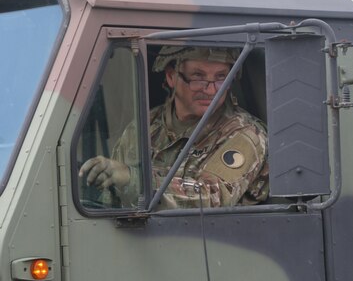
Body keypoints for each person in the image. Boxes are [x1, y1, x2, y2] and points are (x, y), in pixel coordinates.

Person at [79, 46, 269, 210]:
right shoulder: (146, 126)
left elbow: (212, 199)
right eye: (198, 77)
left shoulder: (245, 133)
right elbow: (109, 201)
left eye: (221, 78)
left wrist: (134, 181)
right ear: (171, 76)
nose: (211, 90)